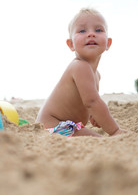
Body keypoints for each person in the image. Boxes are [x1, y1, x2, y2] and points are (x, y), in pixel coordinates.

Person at [36, 8, 127, 137]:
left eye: (98, 30)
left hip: (67, 125)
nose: (91, 34)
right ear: (71, 44)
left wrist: (92, 115)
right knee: (98, 139)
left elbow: (87, 100)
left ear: (108, 43)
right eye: (82, 30)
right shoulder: (79, 66)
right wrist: (115, 131)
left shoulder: (96, 74)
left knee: (90, 135)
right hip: (53, 127)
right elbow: (92, 102)